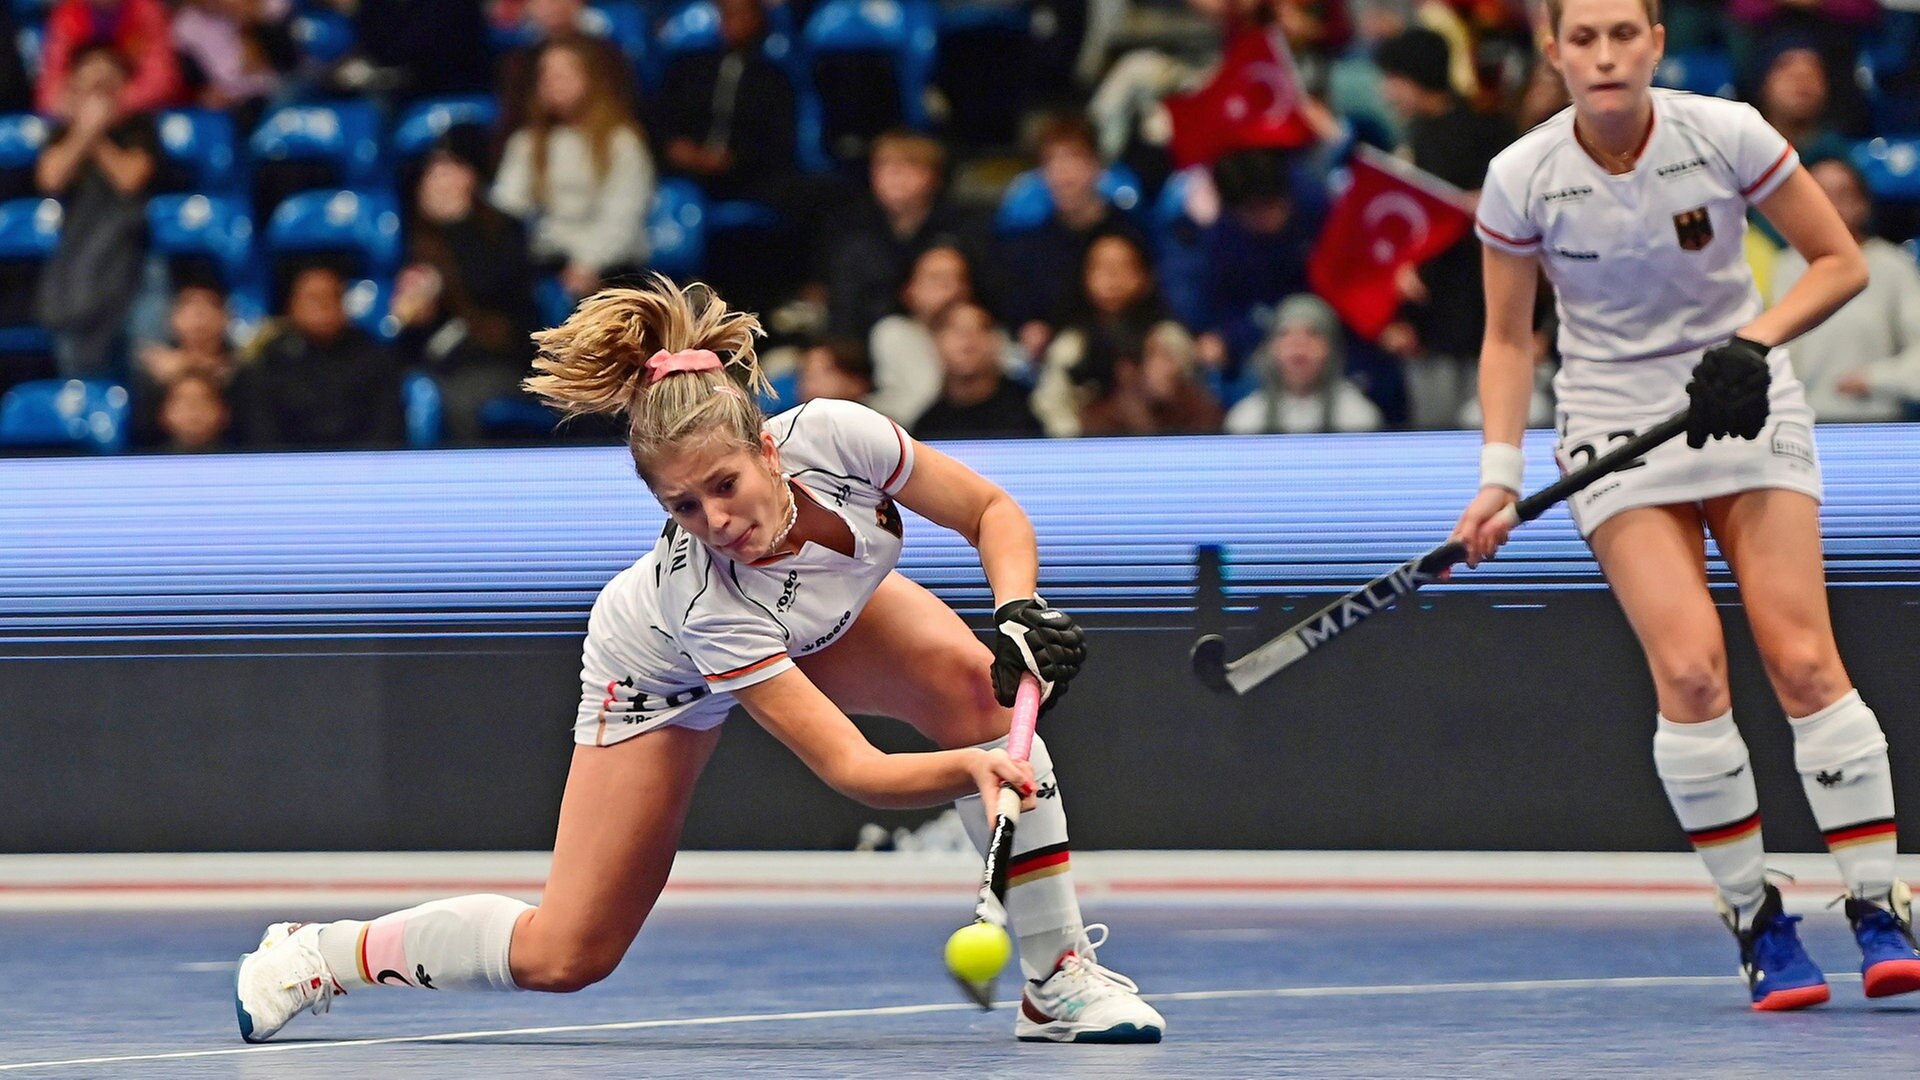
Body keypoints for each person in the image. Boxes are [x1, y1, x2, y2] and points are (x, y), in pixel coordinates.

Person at [233, 277, 1163, 1045]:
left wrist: (1016, 615)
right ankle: (320, 954)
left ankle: (1057, 982)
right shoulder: (705, 594)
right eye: (684, 507)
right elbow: (855, 769)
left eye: (724, 485)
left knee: (978, 690)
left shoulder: (840, 435)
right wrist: (975, 770)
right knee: (568, 954)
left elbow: (989, 514)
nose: (717, 521)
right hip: (658, 675)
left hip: (825, 615)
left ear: (769, 447)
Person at [1455, 0, 1917, 1012]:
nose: (1606, 54)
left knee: (1802, 658)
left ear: (1656, 43)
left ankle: (1878, 903)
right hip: (1616, 422)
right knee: (1693, 671)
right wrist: (1497, 473)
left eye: (1625, 34)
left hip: (1742, 399)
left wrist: (1754, 345)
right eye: (1584, 38)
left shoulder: (1726, 132)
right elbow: (1505, 337)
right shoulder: (1521, 177)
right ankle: (1756, 918)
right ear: (1553, 52)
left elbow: (1837, 261)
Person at [396, 143, 541, 443]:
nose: (441, 183)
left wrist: (459, 224)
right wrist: (416, 317)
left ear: (472, 178)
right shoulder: (415, 243)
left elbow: (495, 289)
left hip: (501, 360)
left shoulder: (504, 229)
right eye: (432, 175)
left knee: (459, 398)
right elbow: (409, 332)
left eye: (450, 171)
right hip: (441, 362)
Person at [491, 37, 655, 300]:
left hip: (611, 266)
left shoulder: (622, 142)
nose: (553, 83)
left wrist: (589, 263)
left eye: (564, 74)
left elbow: (623, 217)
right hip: (547, 260)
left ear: (592, 78)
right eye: (546, 75)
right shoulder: (527, 143)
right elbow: (506, 208)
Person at [34, 43, 159, 379]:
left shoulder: (138, 128)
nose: (98, 94)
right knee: (78, 370)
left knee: (140, 368)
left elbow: (130, 180)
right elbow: (52, 178)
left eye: (107, 85)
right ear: (73, 86)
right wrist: (83, 132)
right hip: (77, 261)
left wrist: (97, 133)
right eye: (90, 85)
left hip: (134, 260)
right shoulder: (60, 134)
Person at [1770, 158, 1920, 422]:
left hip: (1879, 423)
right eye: (1819, 194)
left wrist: (1876, 379)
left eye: (1842, 194)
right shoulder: (1787, 267)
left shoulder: (1894, 266)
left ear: (1863, 203)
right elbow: (1776, 354)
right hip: (1803, 421)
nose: (1830, 205)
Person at [232, 265, 405, 448]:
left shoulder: (374, 360)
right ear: (292, 306)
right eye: (313, 299)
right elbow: (261, 435)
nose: (324, 306)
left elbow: (386, 430)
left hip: (360, 467)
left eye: (332, 297)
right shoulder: (268, 363)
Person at [1223, 293, 1383, 434]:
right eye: (1285, 334)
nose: (1298, 344)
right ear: (1271, 348)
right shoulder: (1245, 420)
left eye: (1312, 333)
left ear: (1331, 348)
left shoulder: (1358, 418)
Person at [866, 243, 975, 426]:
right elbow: (921, 399)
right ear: (910, 291)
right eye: (937, 279)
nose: (951, 288)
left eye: (959, 279)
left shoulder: (986, 335)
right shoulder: (894, 333)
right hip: (913, 440)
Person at [912, 300, 1045, 440]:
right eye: (955, 330)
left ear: (996, 340)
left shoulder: (1032, 411)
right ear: (936, 342)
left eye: (978, 329)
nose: (967, 340)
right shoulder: (927, 427)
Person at [1077, 322, 1224, 436]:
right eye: (1156, 356)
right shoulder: (1106, 411)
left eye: (1172, 358)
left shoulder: (1200, 406)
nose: (1165, 368)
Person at [796, 336, 875, 404]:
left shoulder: (880, 419)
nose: (811, 382)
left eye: (826, 371)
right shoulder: (790, 419)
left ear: (856, 382)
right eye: (806, 372)